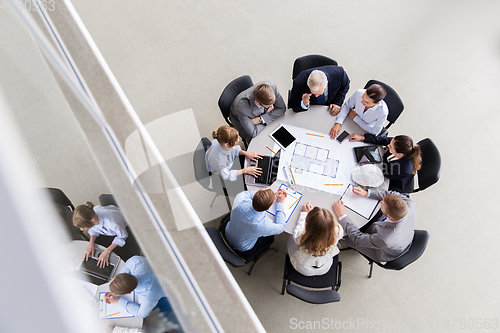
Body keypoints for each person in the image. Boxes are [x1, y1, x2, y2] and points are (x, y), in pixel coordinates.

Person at [332, 187, 417, 263]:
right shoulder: (410, 204)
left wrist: (341, 215)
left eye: (382, 205)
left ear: (390, 217)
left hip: (381, 250)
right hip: (399, 235)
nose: (381, 201)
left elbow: (357, 238)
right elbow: (391, 194)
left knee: (339, 236)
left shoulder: (385, 239)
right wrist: (367, 193)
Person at [104, 256, 174, 320]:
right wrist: (115, 287)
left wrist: (117, 301)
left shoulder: (148, 296)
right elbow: (128, 264)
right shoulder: (136, 261)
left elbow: (141, 314)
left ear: (129, 293)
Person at [225, 188, 287, 257]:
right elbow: (281, 227)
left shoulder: (240, 198)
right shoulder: (261, 225)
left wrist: (270, 195)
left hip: (227, 232)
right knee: (270, 238)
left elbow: (249, 193)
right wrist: (280, 203)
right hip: (242, 248)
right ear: (268, 208)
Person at [287, 202, 344, 276]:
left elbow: (299, 227)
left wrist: (305, 213)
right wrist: (323, 221)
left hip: (303, 268)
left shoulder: (301, 236)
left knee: (290, 236)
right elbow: (329, 225)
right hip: (324, 267)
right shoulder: (338, 230)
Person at [349, 133, 422, 191]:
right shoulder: (396, 143)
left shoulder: (405, 169)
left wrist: (383, 157)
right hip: (387, 166)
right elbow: (383, 140)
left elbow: (387, 174)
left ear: (399, 154)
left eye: (390, 147)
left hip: (392, 178)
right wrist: (362, 137)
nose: (387, 145)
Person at [73, 202, 128, 267]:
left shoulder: (113, 224)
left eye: (83, 227)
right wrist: (91, 243)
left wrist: (107, 251)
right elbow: (94, 229)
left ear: (92, 221)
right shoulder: (91, 214)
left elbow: (123, 236)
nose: (81, 230)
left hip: (121, 226)